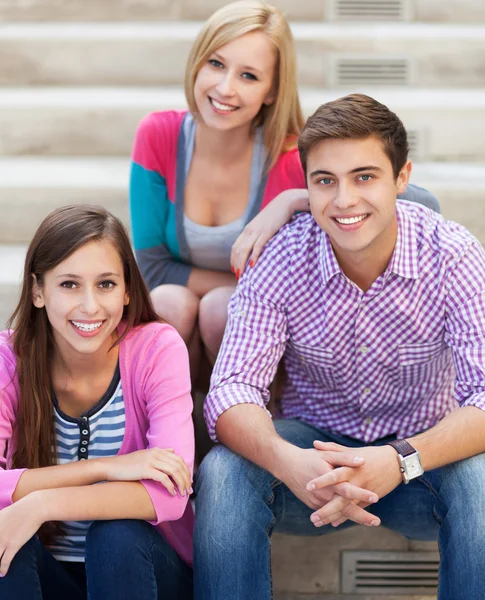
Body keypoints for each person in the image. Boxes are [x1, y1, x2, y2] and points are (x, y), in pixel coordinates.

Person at [194, 94, 485, 600]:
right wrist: (287, 460)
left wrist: (398, 461)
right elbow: (231, 389)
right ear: (305, 187)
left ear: (402, 178)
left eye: (365, 176)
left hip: (420, 465)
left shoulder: (452, 255)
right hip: (312, 468)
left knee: (480, 481)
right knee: (223, 471)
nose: (344, 200)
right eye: (325, 181)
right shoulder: (282, 257)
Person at [128, 0, 438, 384]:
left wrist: (290, 199)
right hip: (188, 315)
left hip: (262, 330)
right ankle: (178, 423)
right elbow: (152, 267)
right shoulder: (158, 134)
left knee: (222, 308)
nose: (225, 88)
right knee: (168, 302)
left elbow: (421, 201)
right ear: (197, 63)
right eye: (216, 64)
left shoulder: (291, 157)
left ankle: (248, 417)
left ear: (272, 90)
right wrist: (254, 285)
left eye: (249, 76)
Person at [0, 205, 194, 599]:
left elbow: (169, 494)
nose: (89, 306)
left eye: (105, 284)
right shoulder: (6, 361)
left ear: (127, 290)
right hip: (49, 574)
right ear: (38, 291)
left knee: (118, 534)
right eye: (69, 284)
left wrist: (40, 505)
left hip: (142, 571)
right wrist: (107, 467)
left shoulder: (157, 348)